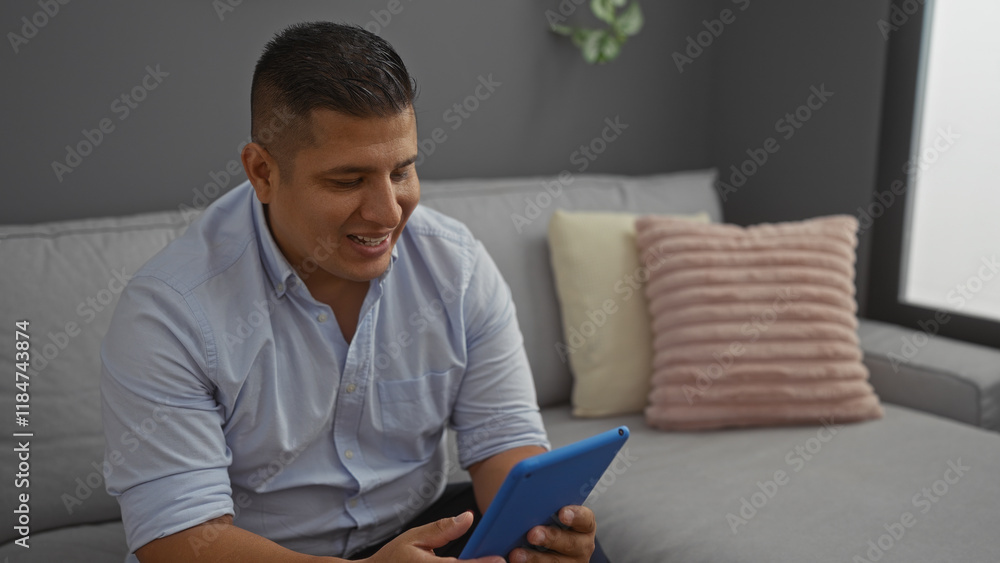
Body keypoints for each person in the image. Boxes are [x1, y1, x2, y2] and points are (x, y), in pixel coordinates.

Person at [101, 21, 609, 562]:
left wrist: (539, 529)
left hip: (415, 528)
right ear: (263, 172)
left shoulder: (455, 266)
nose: (388, 213)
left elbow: (504, 443)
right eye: (348, 181)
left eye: (402, 172)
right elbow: (178, 538)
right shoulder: (170, 311)